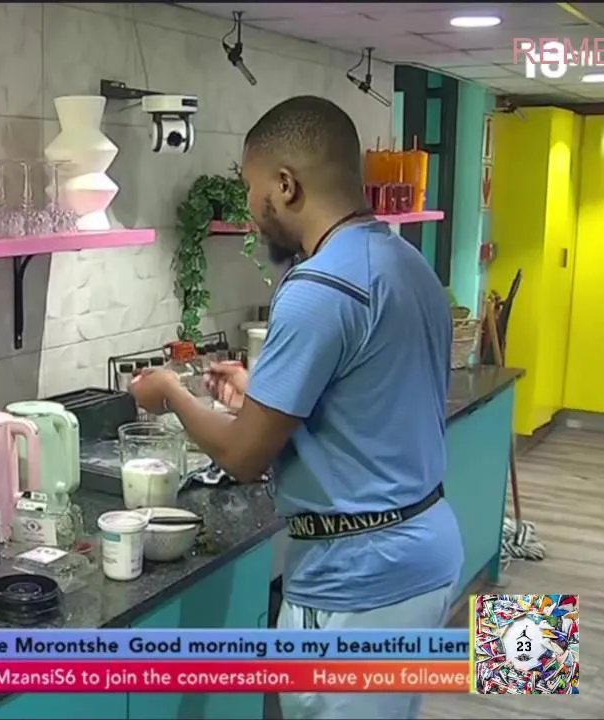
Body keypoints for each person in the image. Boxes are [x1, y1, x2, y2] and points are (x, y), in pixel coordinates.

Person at [130, 95, 464, 720]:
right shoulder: (406, 262)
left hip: (357, 578)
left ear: (285, 186)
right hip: (427, 551)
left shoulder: (317, 286)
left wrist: (171, 392)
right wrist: (264, 388)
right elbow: (371, 393)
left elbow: (243, 456)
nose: (252, 210)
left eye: (252, 190)